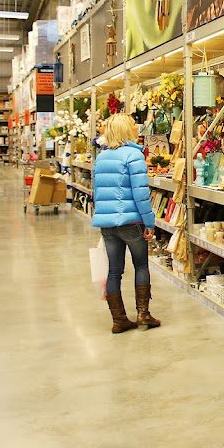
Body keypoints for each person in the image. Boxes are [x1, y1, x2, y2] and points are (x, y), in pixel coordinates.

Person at [92, 113, 161, 333]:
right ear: (126, 130)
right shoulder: (133, 155)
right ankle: (143, 314)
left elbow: (96, 193)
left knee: (114, 271)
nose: (136, 127)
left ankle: (119, 320)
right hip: (131, 222)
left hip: (107, 224)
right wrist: (149, 222)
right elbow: (141, 194)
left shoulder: (101, 157)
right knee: (141, 265)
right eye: (133, 125)